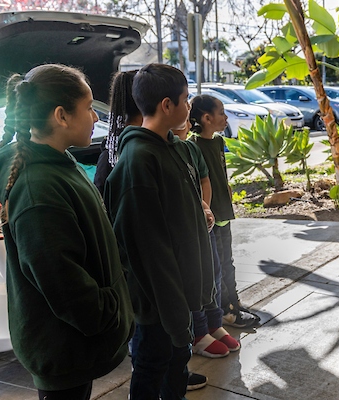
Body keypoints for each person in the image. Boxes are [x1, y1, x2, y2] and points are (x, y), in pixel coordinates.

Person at [0, 64, 135, 400]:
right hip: (65, 349)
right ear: (61, 116)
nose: (96, 117)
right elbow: (61, 280)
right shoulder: (38, 189)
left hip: (77, 345)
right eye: (89, 108)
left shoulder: (59, 162)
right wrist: (109, 312)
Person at [103, 64, 214, 400]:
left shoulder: (176, 148)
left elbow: (179, 210)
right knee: (153, 367)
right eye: (186, 99)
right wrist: (174, 312)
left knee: (176, 365)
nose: (189, 106)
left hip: (179, 296)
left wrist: (200, 216)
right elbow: (147, 250)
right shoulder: (138, 160)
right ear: (167, 105)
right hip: (158, 304)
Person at [189, 95, 261, 328]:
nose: (226, 117)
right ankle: (225, 310)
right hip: (212, 216)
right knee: (217, 266)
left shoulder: (218, 141)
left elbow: (221, 172)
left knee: (227, 261)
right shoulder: (192, 145)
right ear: (206, 118)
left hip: (223, 210)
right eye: (221, 113)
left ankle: (233, 302)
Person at [173, 120, 241, 358]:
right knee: (194, 279)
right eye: (184, 104)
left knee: (213, 272)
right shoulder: (162, 151)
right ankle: (199, 332)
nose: (188, 113)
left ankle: (214, 324)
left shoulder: (190, 149)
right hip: (185, 230)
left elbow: (203, 180)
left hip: (203, 225)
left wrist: (205, 208)